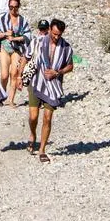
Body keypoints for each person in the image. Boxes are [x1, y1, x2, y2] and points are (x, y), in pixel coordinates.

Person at [28, 18, 74, 163]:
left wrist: (58, 72)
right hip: (36, 81)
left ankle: (42, 150)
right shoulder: (38, 42)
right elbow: (26, 57)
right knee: (34, 117)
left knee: (47, 117)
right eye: (54, 34)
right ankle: (32, 135)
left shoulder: (66, 47)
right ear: (49, 30)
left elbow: (70, 66)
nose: (56, 37)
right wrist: (18, 78)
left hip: (53, 85)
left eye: (59, 34)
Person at [0, 0, 30, 106]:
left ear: (19, 7)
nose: (13, 9)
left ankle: (11, 100)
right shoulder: (3, 19)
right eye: (11, 7)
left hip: (17, 49)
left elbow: (27, 35)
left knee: (13, 73)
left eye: (15, 7)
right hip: (5, 47)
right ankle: (1, 96)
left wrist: (15, 38)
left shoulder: (22, 20)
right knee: (4, 75)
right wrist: (5, 34)